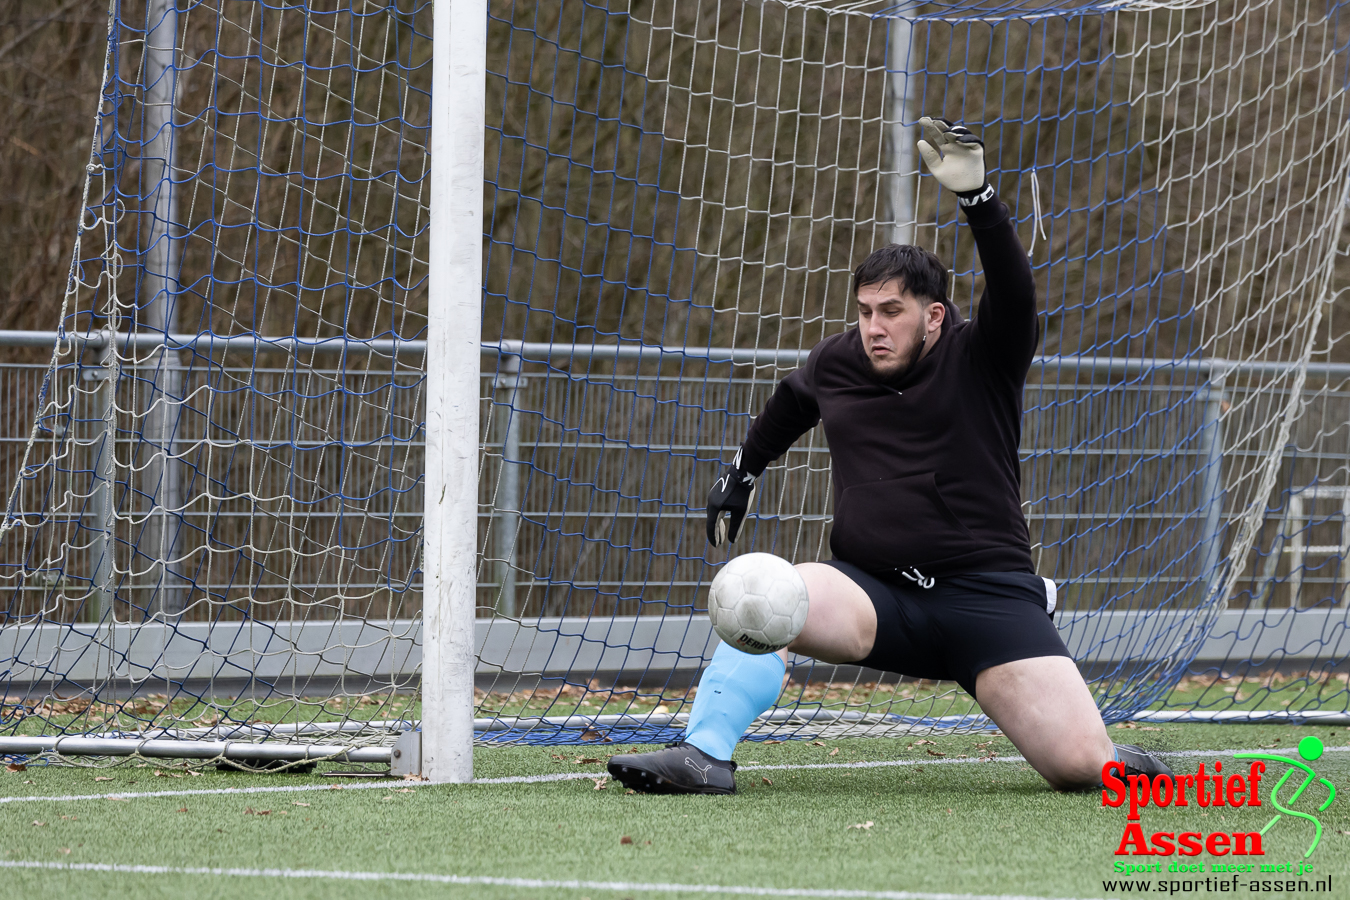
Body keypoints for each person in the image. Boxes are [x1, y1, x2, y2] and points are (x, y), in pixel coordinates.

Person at [607, 117, 1172, 795]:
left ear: (934, 317)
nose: (873, 327)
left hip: (986, 602)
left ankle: (1112, 741)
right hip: (873, 594)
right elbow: (793, 400)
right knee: (764, 594)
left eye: (892, 312)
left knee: (1084, 769)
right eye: (866, 310)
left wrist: (979, 199)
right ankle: (705, 755)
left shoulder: (981, 355)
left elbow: (1016, 296)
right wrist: (744, 469)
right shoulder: (841, 359)